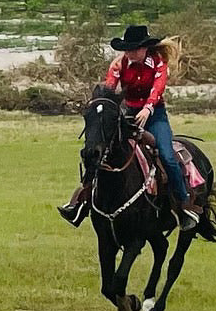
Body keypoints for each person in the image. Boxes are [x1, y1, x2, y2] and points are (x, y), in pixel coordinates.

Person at [58, 25, 199, 231]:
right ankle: (82, 201)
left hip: (154, 116)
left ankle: (184, 204)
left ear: (145, 48)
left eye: (134, 49)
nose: (130, 53)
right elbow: (109, 88)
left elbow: (157, 90)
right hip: (128, 114)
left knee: (168, 157)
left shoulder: (158, 63)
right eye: (128, 49)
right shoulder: (119, 64)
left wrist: (148, 109)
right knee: (99, 152)